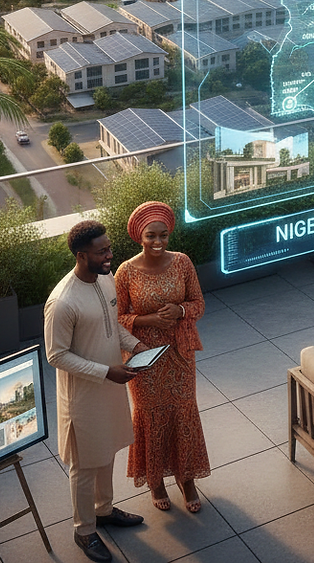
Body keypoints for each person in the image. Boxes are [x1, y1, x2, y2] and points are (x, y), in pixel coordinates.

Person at [44, 220, 146, 563]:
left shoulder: (105, 279)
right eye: (102, 251)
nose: (109, 255)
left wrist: (136, 344)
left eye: (109, 248)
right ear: (80, 255)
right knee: (84, 466)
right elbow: (56, 355)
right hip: (83, 399)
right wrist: (106, 371)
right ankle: (84, 530)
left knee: (108, 450)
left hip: (111, 386)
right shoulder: (62, 302)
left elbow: (112, 326)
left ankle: (104, 511)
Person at [115, 201, 210, 514]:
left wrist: (180, 310)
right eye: (151, 236)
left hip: (180, 354)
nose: (158, 242)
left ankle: (187, 479)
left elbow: (198, 303)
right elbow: (117, 318)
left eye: (164, 235)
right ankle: (155, 481)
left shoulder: (182, 262)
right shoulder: (125, 272)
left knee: (183, 412)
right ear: (139, 237)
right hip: (145, 358)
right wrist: (148, 321)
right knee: (151, 416)